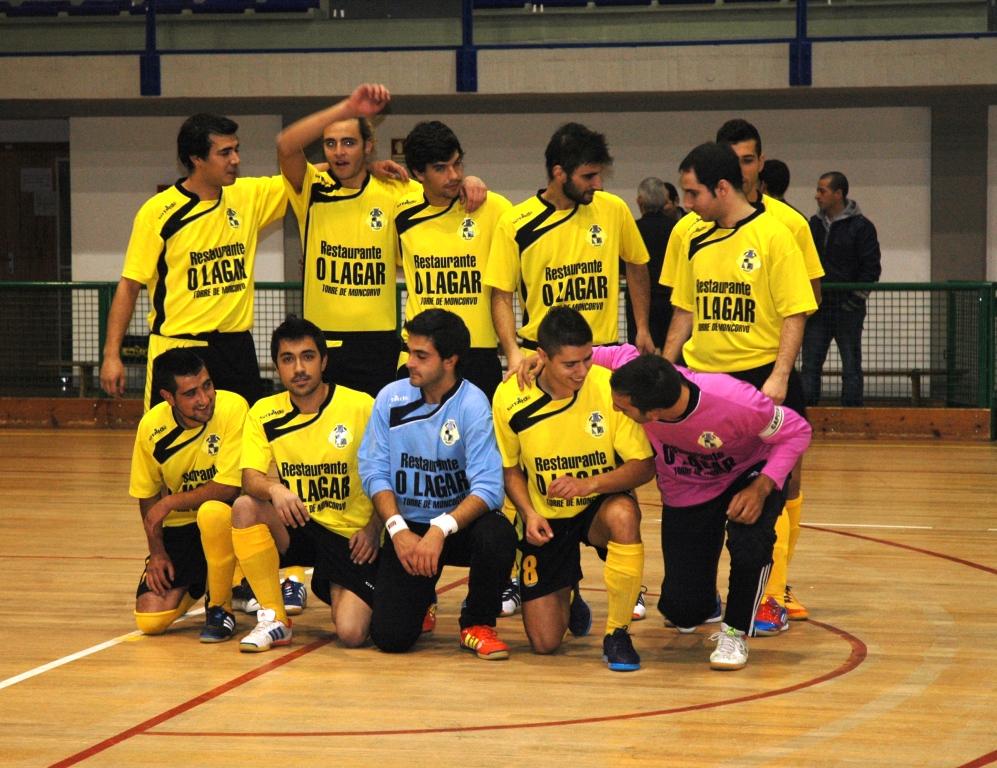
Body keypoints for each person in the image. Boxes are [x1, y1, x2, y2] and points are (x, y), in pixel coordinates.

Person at [661, 119, 824, 629]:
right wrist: (667, 366)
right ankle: (697, 596)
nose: (686, 203)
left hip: (759, 379)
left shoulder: (777, 233)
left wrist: (779, 375)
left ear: (721, 188)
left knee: (766, 491)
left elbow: (797, 310)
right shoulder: (689, 235)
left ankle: (764, 598)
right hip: (703, 382)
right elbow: (684, 308)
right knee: (701, 490)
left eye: (693, 193)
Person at [600, 348, 812, 669]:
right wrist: (538, 359)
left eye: (623, 408)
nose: (615, 408)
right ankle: (704, 600)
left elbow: (797, 430)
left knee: (751, 542)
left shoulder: (736, 401)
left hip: (749, 475)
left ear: (653, 414)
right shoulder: (638, 373)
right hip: (688, 488)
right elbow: (606, 354)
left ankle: (735, 631)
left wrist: (762, 486)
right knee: (683, 612)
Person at [492, 307, 655, 671]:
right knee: (544, 643)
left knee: (624, 514)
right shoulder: (509, 396)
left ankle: (617, 633)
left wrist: (589, 484)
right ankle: (569, 588)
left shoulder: (607, 387)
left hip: (597, 505)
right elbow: (509, 468)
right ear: (542, 357)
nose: (581, 371)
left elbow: (644, 466)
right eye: (569, 364)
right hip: (547, 516)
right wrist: (528, 513)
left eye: (587, 358)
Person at [101, 113, 287, 410]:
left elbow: (305, 176)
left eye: (236, 150)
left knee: (246, 435)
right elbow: (129, 285)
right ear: (196, 158)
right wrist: (111, 355)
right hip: (178, 348)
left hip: (236, 348)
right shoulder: (158, 212)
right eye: (225, 153)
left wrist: (359, 165)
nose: (235, 159)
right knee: (172, 437)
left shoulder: (248, 195)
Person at [358, 309, 517, 658]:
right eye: (409, 351)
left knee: (498, 535)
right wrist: (397, 529)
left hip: (458, 526)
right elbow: (374, 471)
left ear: (450, 360)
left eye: (421, 355)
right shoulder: (390, 398)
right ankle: (423, 599)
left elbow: (489, 488)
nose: (410, 362)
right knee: (390, 638)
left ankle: (477, 623)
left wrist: (440, 529)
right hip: (410, 529)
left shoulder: (473, 404)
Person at [232, 316, 379, 652]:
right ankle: (275, 618)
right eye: (288, 359)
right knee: (245, 507)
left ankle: (338, 582)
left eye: (307, 357)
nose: (298, 368)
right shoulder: (263, 413)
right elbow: (250, 478)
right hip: (300, 523)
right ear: (277, 367)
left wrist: (375, 527)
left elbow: (390, 475)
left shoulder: (361, 406)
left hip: (352, 538)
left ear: (324, 361)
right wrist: (275, 489)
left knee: (352, 633)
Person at [486, 122, 654, 374]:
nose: (597, 184)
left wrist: (642, 327)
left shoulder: (614, 209)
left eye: (598, 175)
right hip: (543, 356)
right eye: (588, 176)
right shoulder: (514, 223)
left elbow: (637, 264)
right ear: (559, 173)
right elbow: (501, 295)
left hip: (602, 354)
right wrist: (512, 352)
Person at [130, 348, 248, 643]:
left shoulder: (233, 408)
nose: (205, 399)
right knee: (150, 619)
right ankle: (206, 579)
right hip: (182, 527)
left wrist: (170, 501)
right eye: (191, 393)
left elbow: (229, 487)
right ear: (168, 397)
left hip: (230, 520)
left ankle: (221, 604)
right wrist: (157, 552)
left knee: (213, 512)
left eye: (207, 385)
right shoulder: (151, 428)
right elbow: (147, 496)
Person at [395, 120, 512, 399]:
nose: (454, 175)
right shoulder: (399, 211)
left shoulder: (495, 208)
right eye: (440, 168)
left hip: (478, 352)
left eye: (457, 163)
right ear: (418, 173)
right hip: (418, 350)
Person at [803, 171, 882, 407]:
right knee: (810, 365)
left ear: (838, 194)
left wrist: (855, 301)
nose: (817, 195)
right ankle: (807, 413)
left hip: (848, 309)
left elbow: (871, 268)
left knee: (850, 365)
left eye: (822, 191)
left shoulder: (862, 227)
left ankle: (852, 413)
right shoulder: (813, 225)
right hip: (818, 308)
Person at [626, 176, 675, 350]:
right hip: (670, 303)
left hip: (639, 306)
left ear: (639, 201)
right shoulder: (676, 228)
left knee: (639, 354)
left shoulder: (633, 230)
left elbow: (624, 268)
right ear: (665, 200)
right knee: (671, 352)